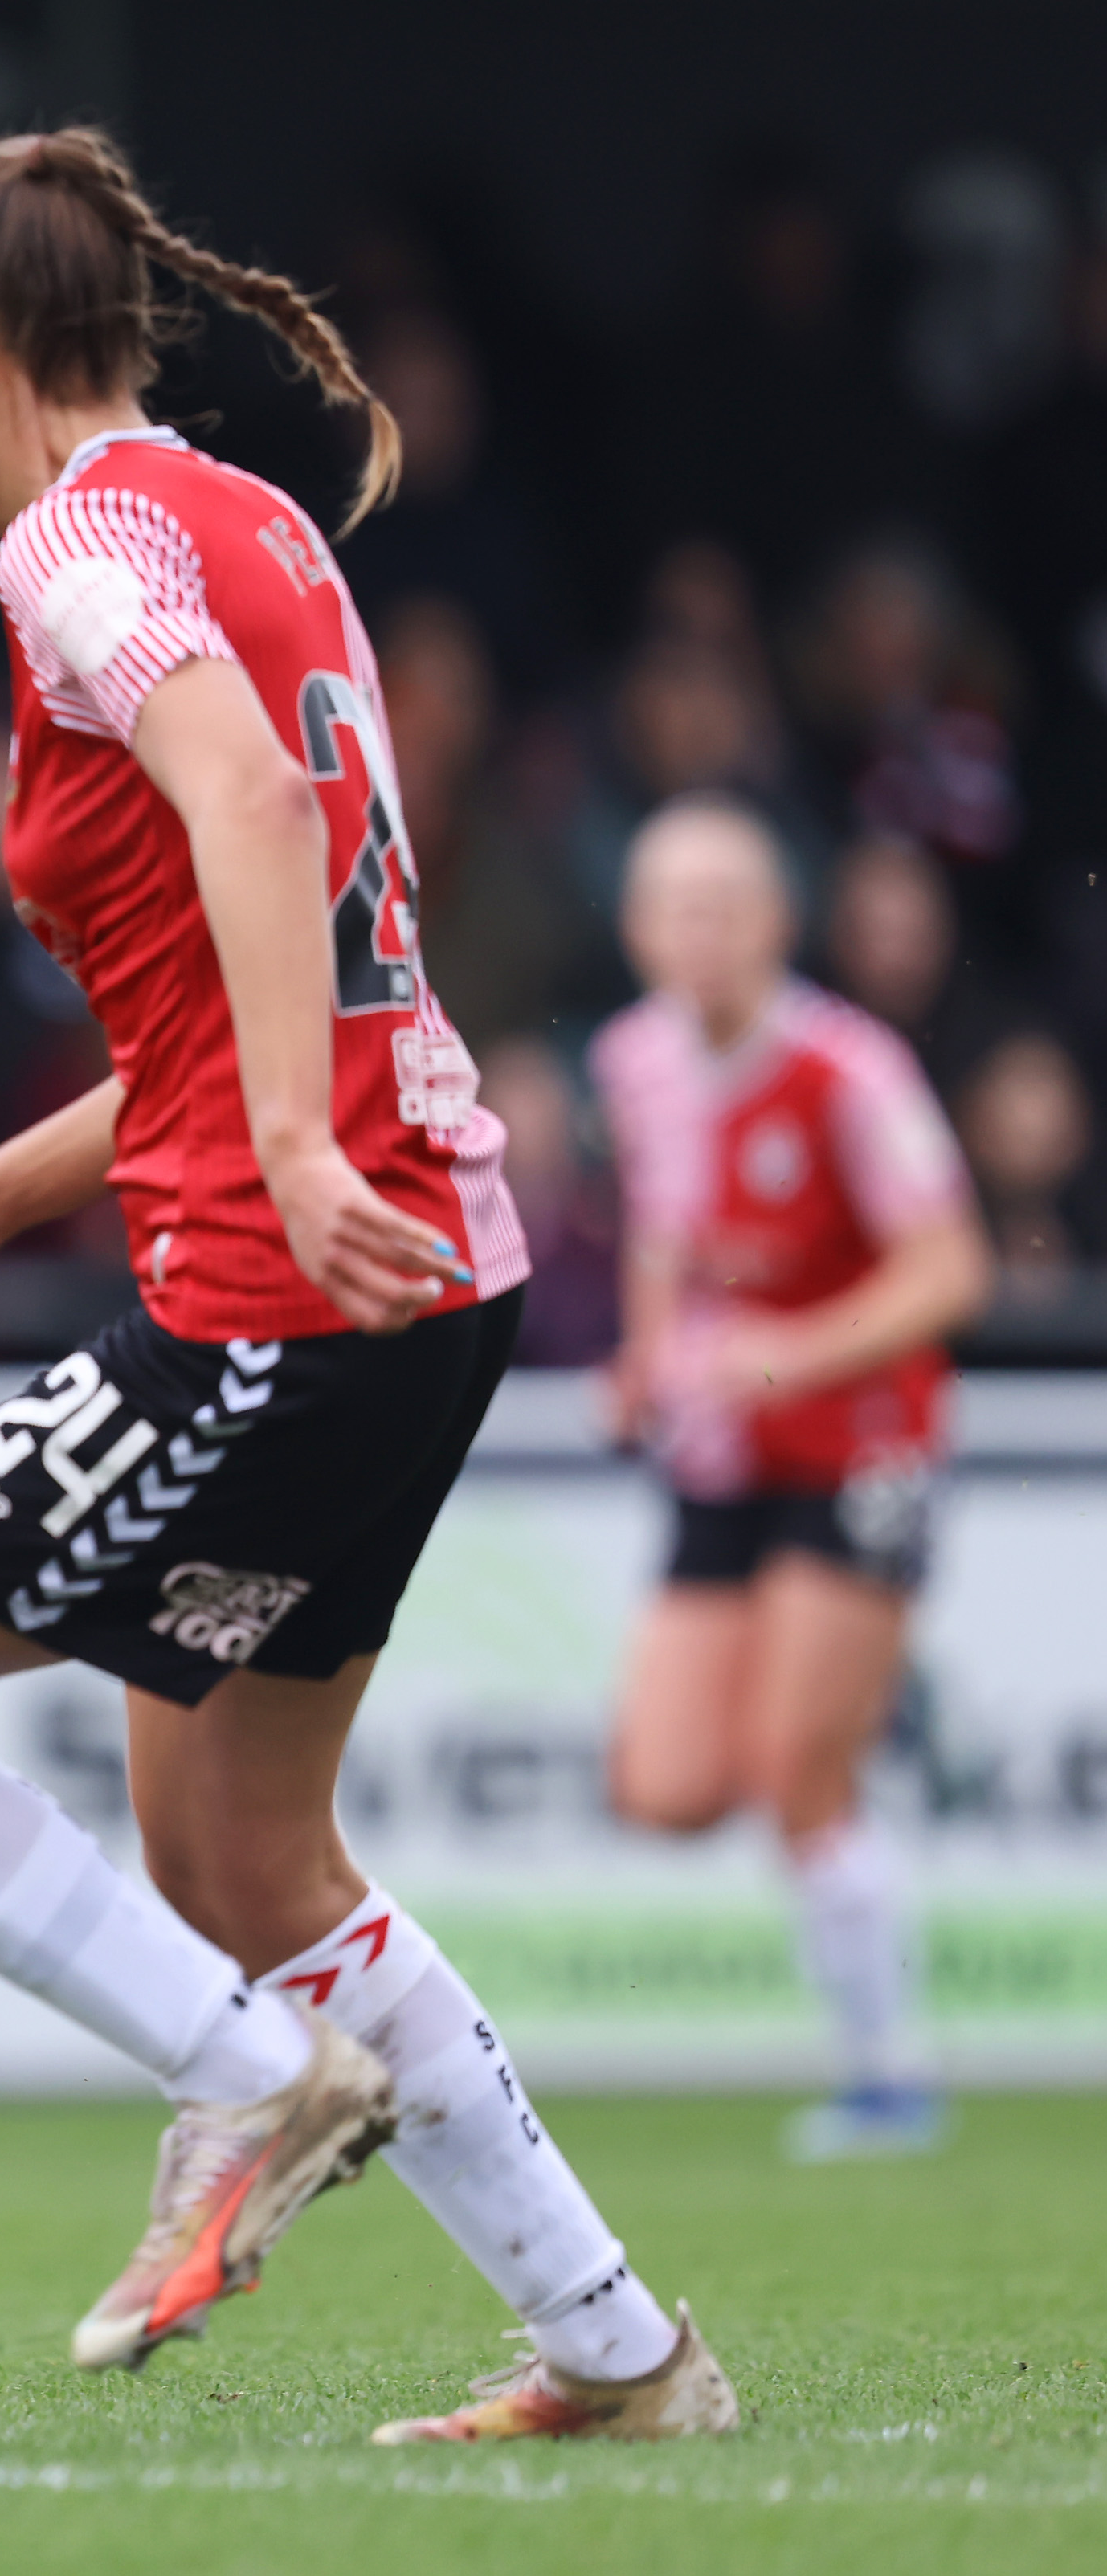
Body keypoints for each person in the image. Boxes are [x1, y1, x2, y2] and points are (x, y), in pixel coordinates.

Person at [0, 131, 741, 2448]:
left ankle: (246, 2075)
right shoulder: (251, 525)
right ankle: (617, 2348)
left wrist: (259, 1150)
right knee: (236, 1853)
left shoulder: (74, 538)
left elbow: (251, 822)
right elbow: (280, 946)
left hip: (281, 1266)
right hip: (418, 1264)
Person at [591, 799, 991, 2161]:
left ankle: (889, 2079)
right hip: (724, 1455)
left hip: (859, 1443)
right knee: (664, 1784)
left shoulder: (848, 1069)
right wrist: (646, 1366)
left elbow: (950, 1272)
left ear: (775, 920)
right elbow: (663, 1235)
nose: (695, 931)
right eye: (670, 904)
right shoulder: (633, 1059)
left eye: (723, 903)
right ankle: (891, 1707)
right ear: (636, 926)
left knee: (793, 1769)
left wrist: (783, 1356)